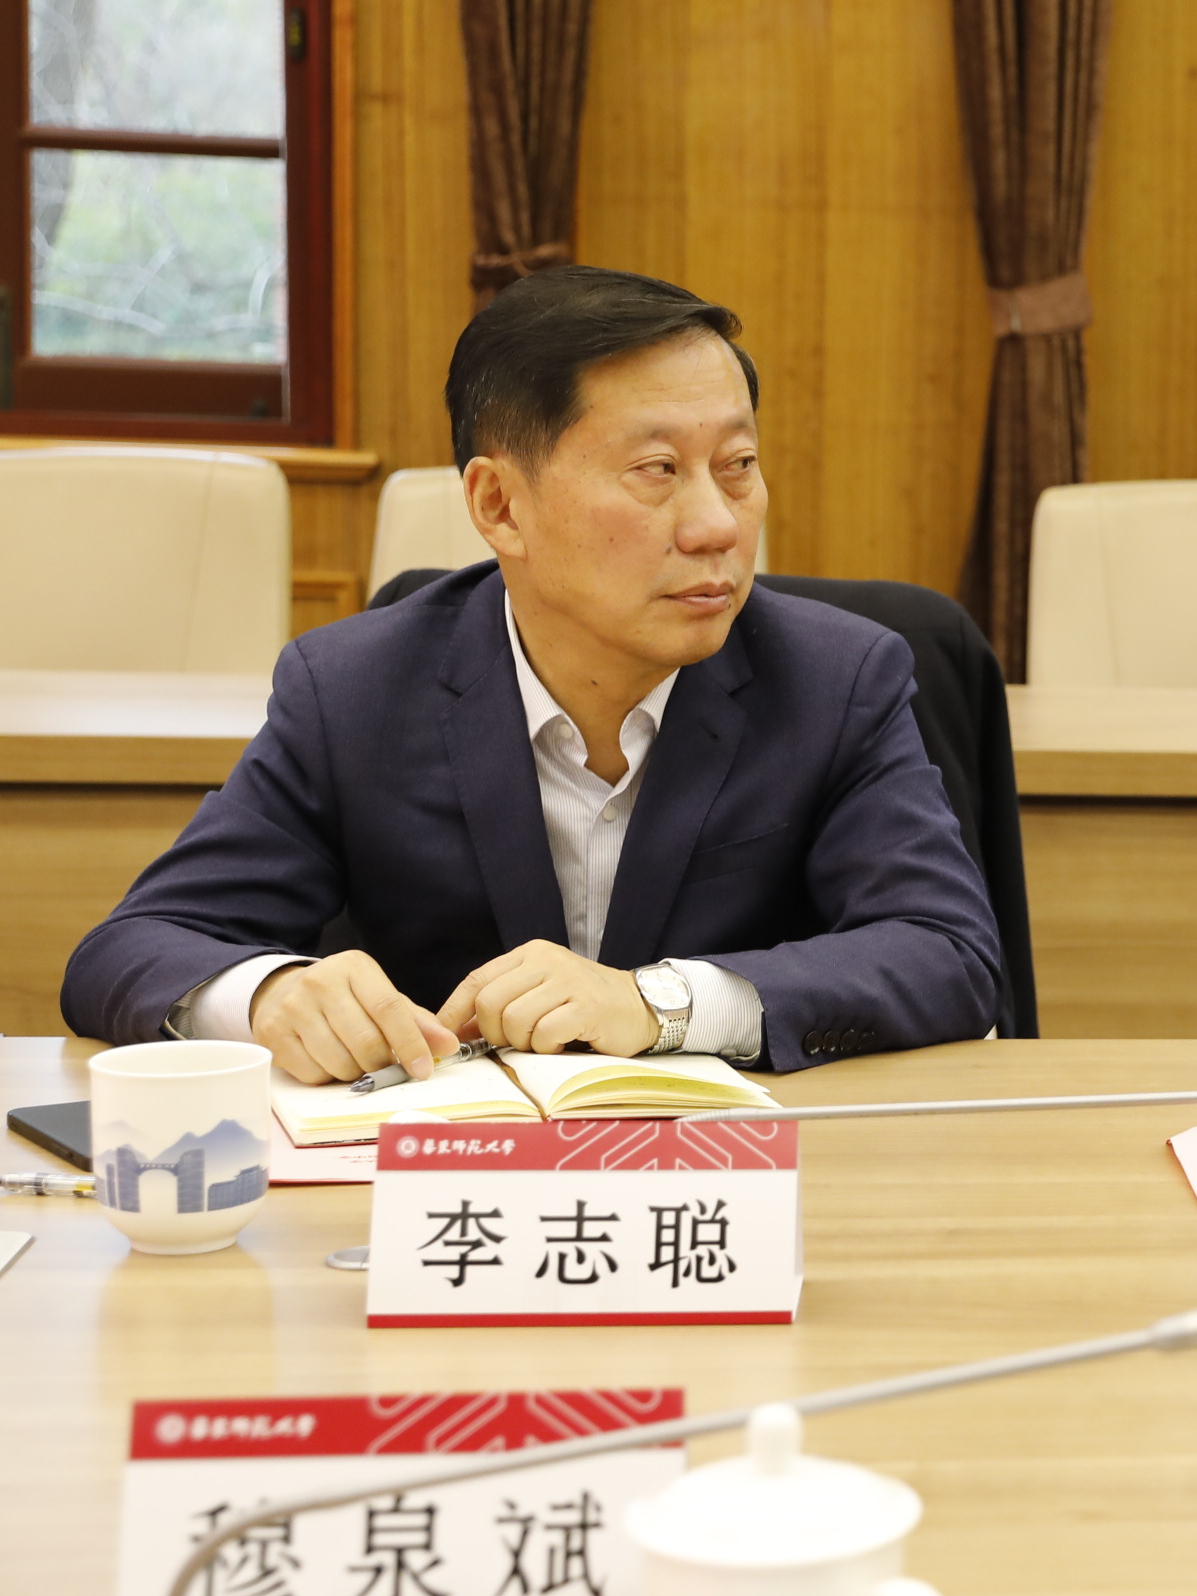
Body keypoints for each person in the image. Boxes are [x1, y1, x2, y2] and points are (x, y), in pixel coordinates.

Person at [62, 267, 1002, 1083]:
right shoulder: (353, 692)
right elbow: (128, 950)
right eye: (657, 469)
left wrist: (659, 1004)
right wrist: (269, 994)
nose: (718, 523)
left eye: (739, 464)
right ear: (500, 505)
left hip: (737, 1177)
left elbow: (949, 954)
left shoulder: (837, 680)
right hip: (453, 1180)